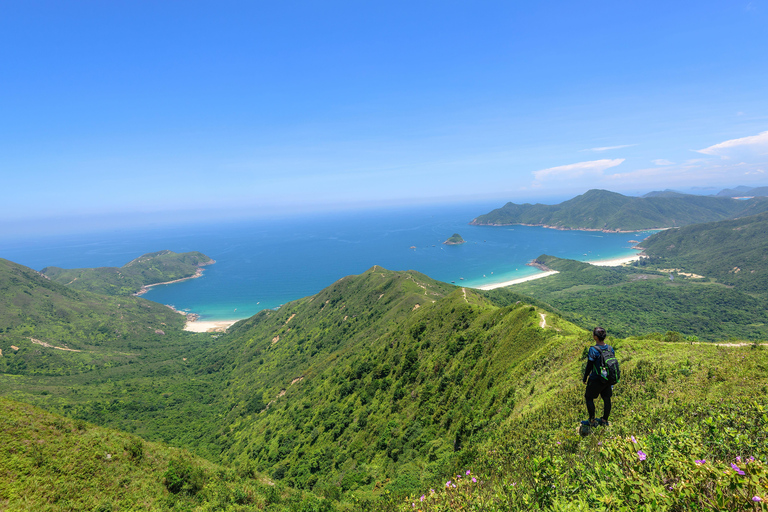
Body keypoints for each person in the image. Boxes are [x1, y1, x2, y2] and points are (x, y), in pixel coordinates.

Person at [583, 327, 614, 427]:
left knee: (588, 397)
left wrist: (585, 378)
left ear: (595, 337)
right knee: (606, 398)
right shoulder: (610, 348)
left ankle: (592, 421)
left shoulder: (593, 350)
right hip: (608, 379)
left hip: (596, 379)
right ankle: (604, 420)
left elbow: (589, 365)